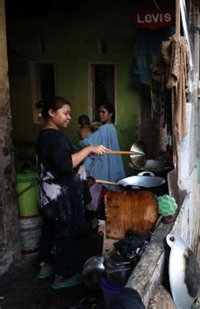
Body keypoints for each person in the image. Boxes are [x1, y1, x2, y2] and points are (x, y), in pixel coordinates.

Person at [35, 97, 109, 289]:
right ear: (52, 113)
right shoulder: (55, 137)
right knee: (68, 234)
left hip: (49, 196)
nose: (69, 117)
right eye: (65, 113)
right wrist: (89, 149)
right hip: (62, 199)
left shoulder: (45, 135)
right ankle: (63, 276)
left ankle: (46, 267)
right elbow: (66, 164)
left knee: (51, 231)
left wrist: (83, 173)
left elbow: (62, 163)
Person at [79, 102, 125, 187]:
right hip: (112, 163)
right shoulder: (112, 128)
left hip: (103, 163)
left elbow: (88, 142)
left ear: (110, 114)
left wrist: (81, 141)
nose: (100, 114)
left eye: (103, 112)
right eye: (99, 112)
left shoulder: (105, 128)